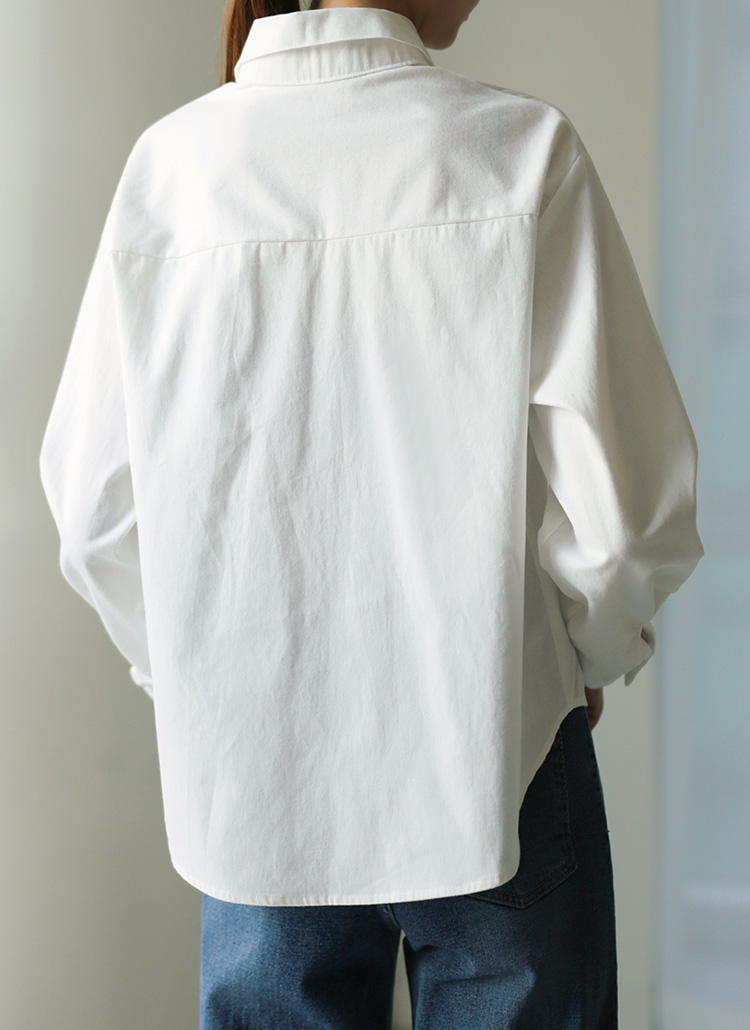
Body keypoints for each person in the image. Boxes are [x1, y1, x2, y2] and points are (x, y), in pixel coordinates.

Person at [38, 0, 704, 1026]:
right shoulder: (520, 152)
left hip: (256, 772)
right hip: (504, 749)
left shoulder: (171, 170)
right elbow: (629, 517)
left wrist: (195, 672)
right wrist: (589, 654)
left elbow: (93, 513)